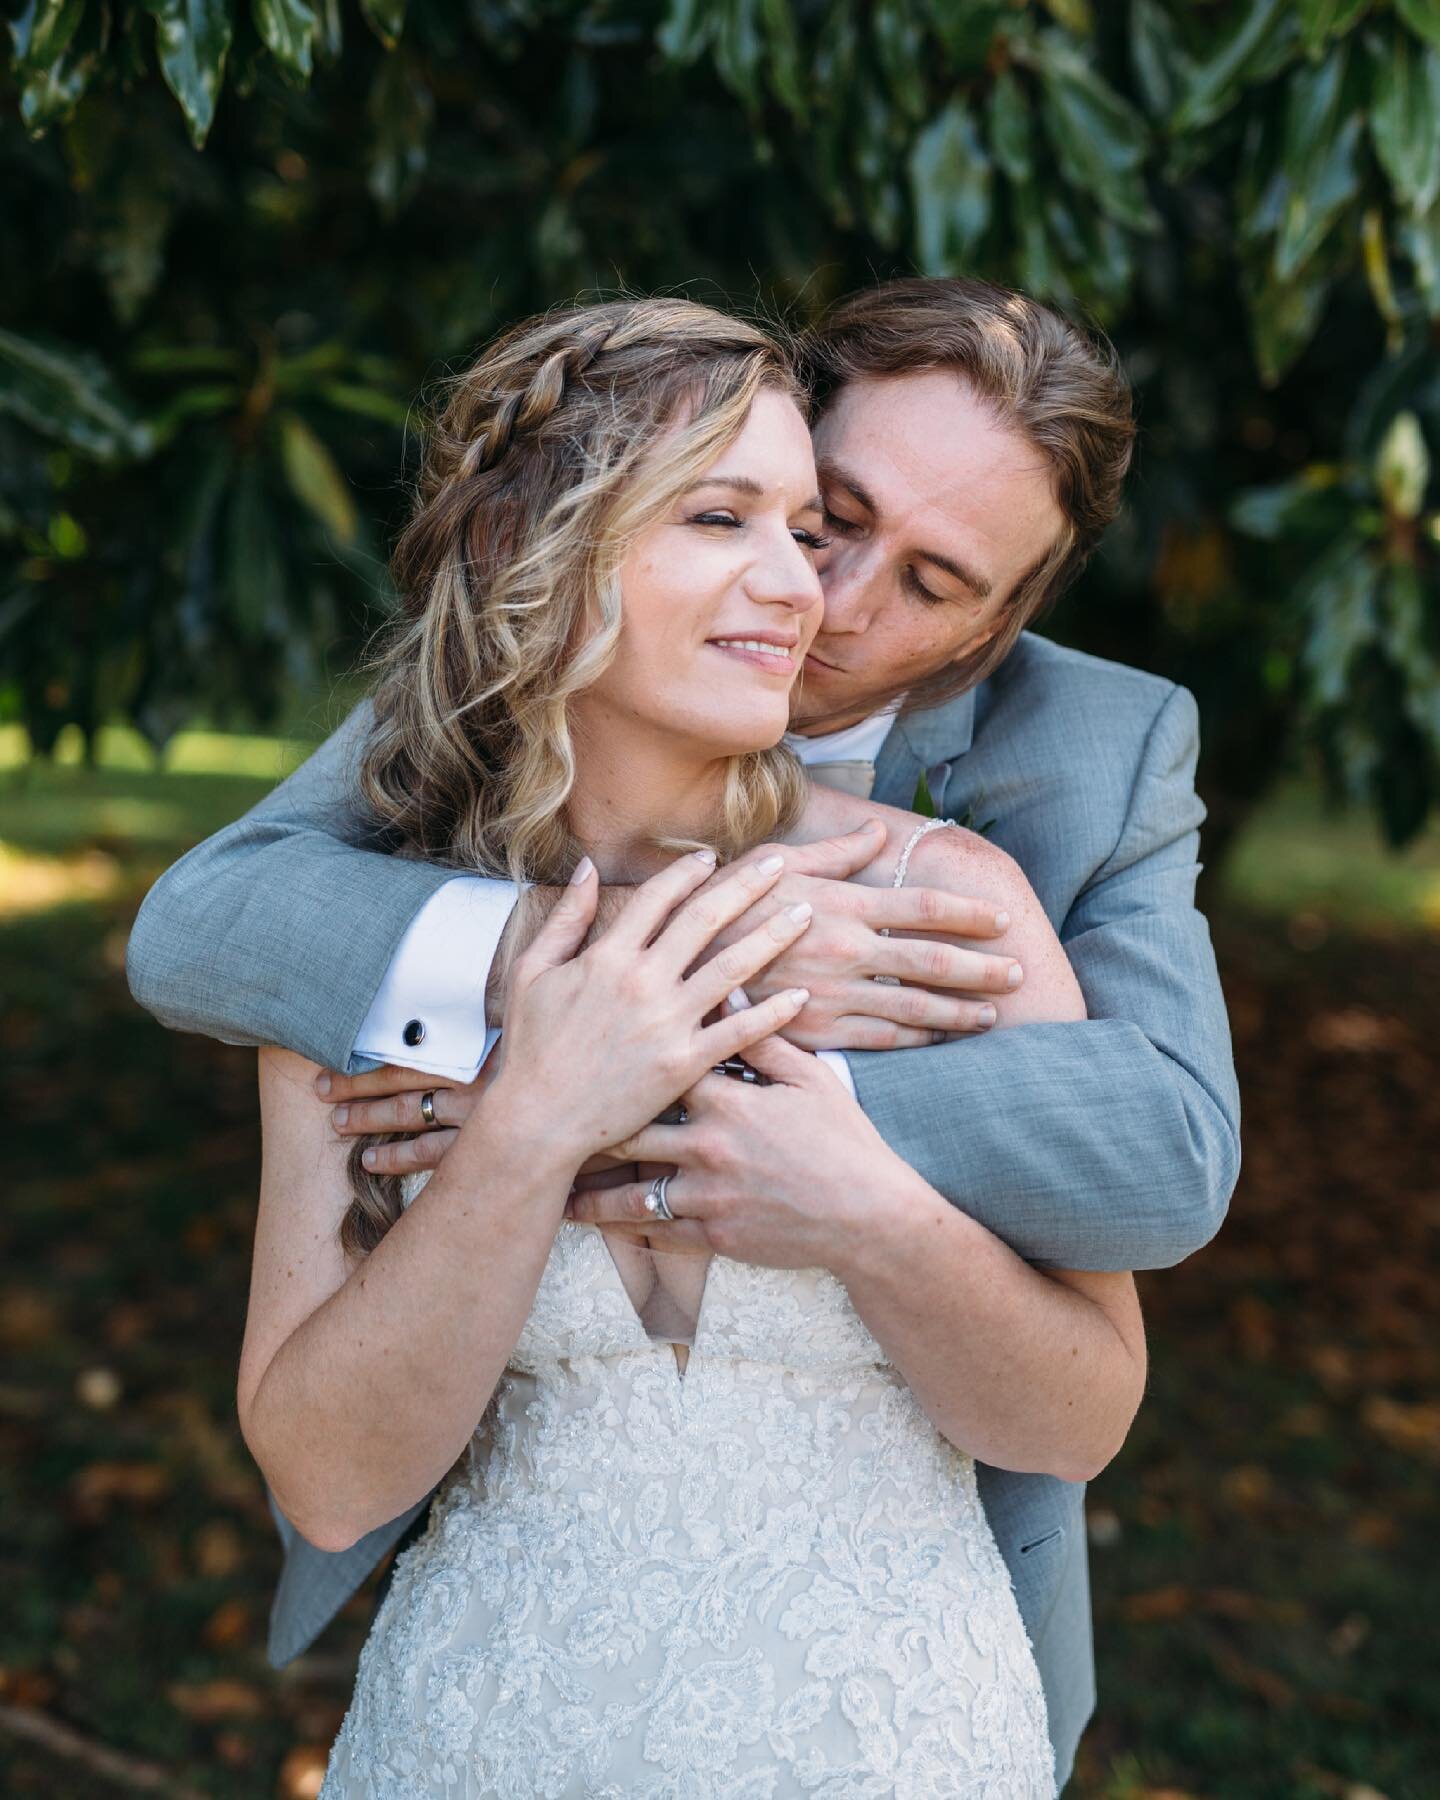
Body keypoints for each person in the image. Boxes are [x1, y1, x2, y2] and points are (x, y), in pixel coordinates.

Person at [127, 278, 1240, 1788]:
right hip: (503, 1713)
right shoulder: (384, 929)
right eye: (797, 515)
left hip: (888, 1715)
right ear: (562, 544)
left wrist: (754, 1122)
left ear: (996, 627)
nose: (824, 599)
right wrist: (549, 1062)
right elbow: (202, 925)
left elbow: (1160, 1182)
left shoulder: (955, 898)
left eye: (929, 583)